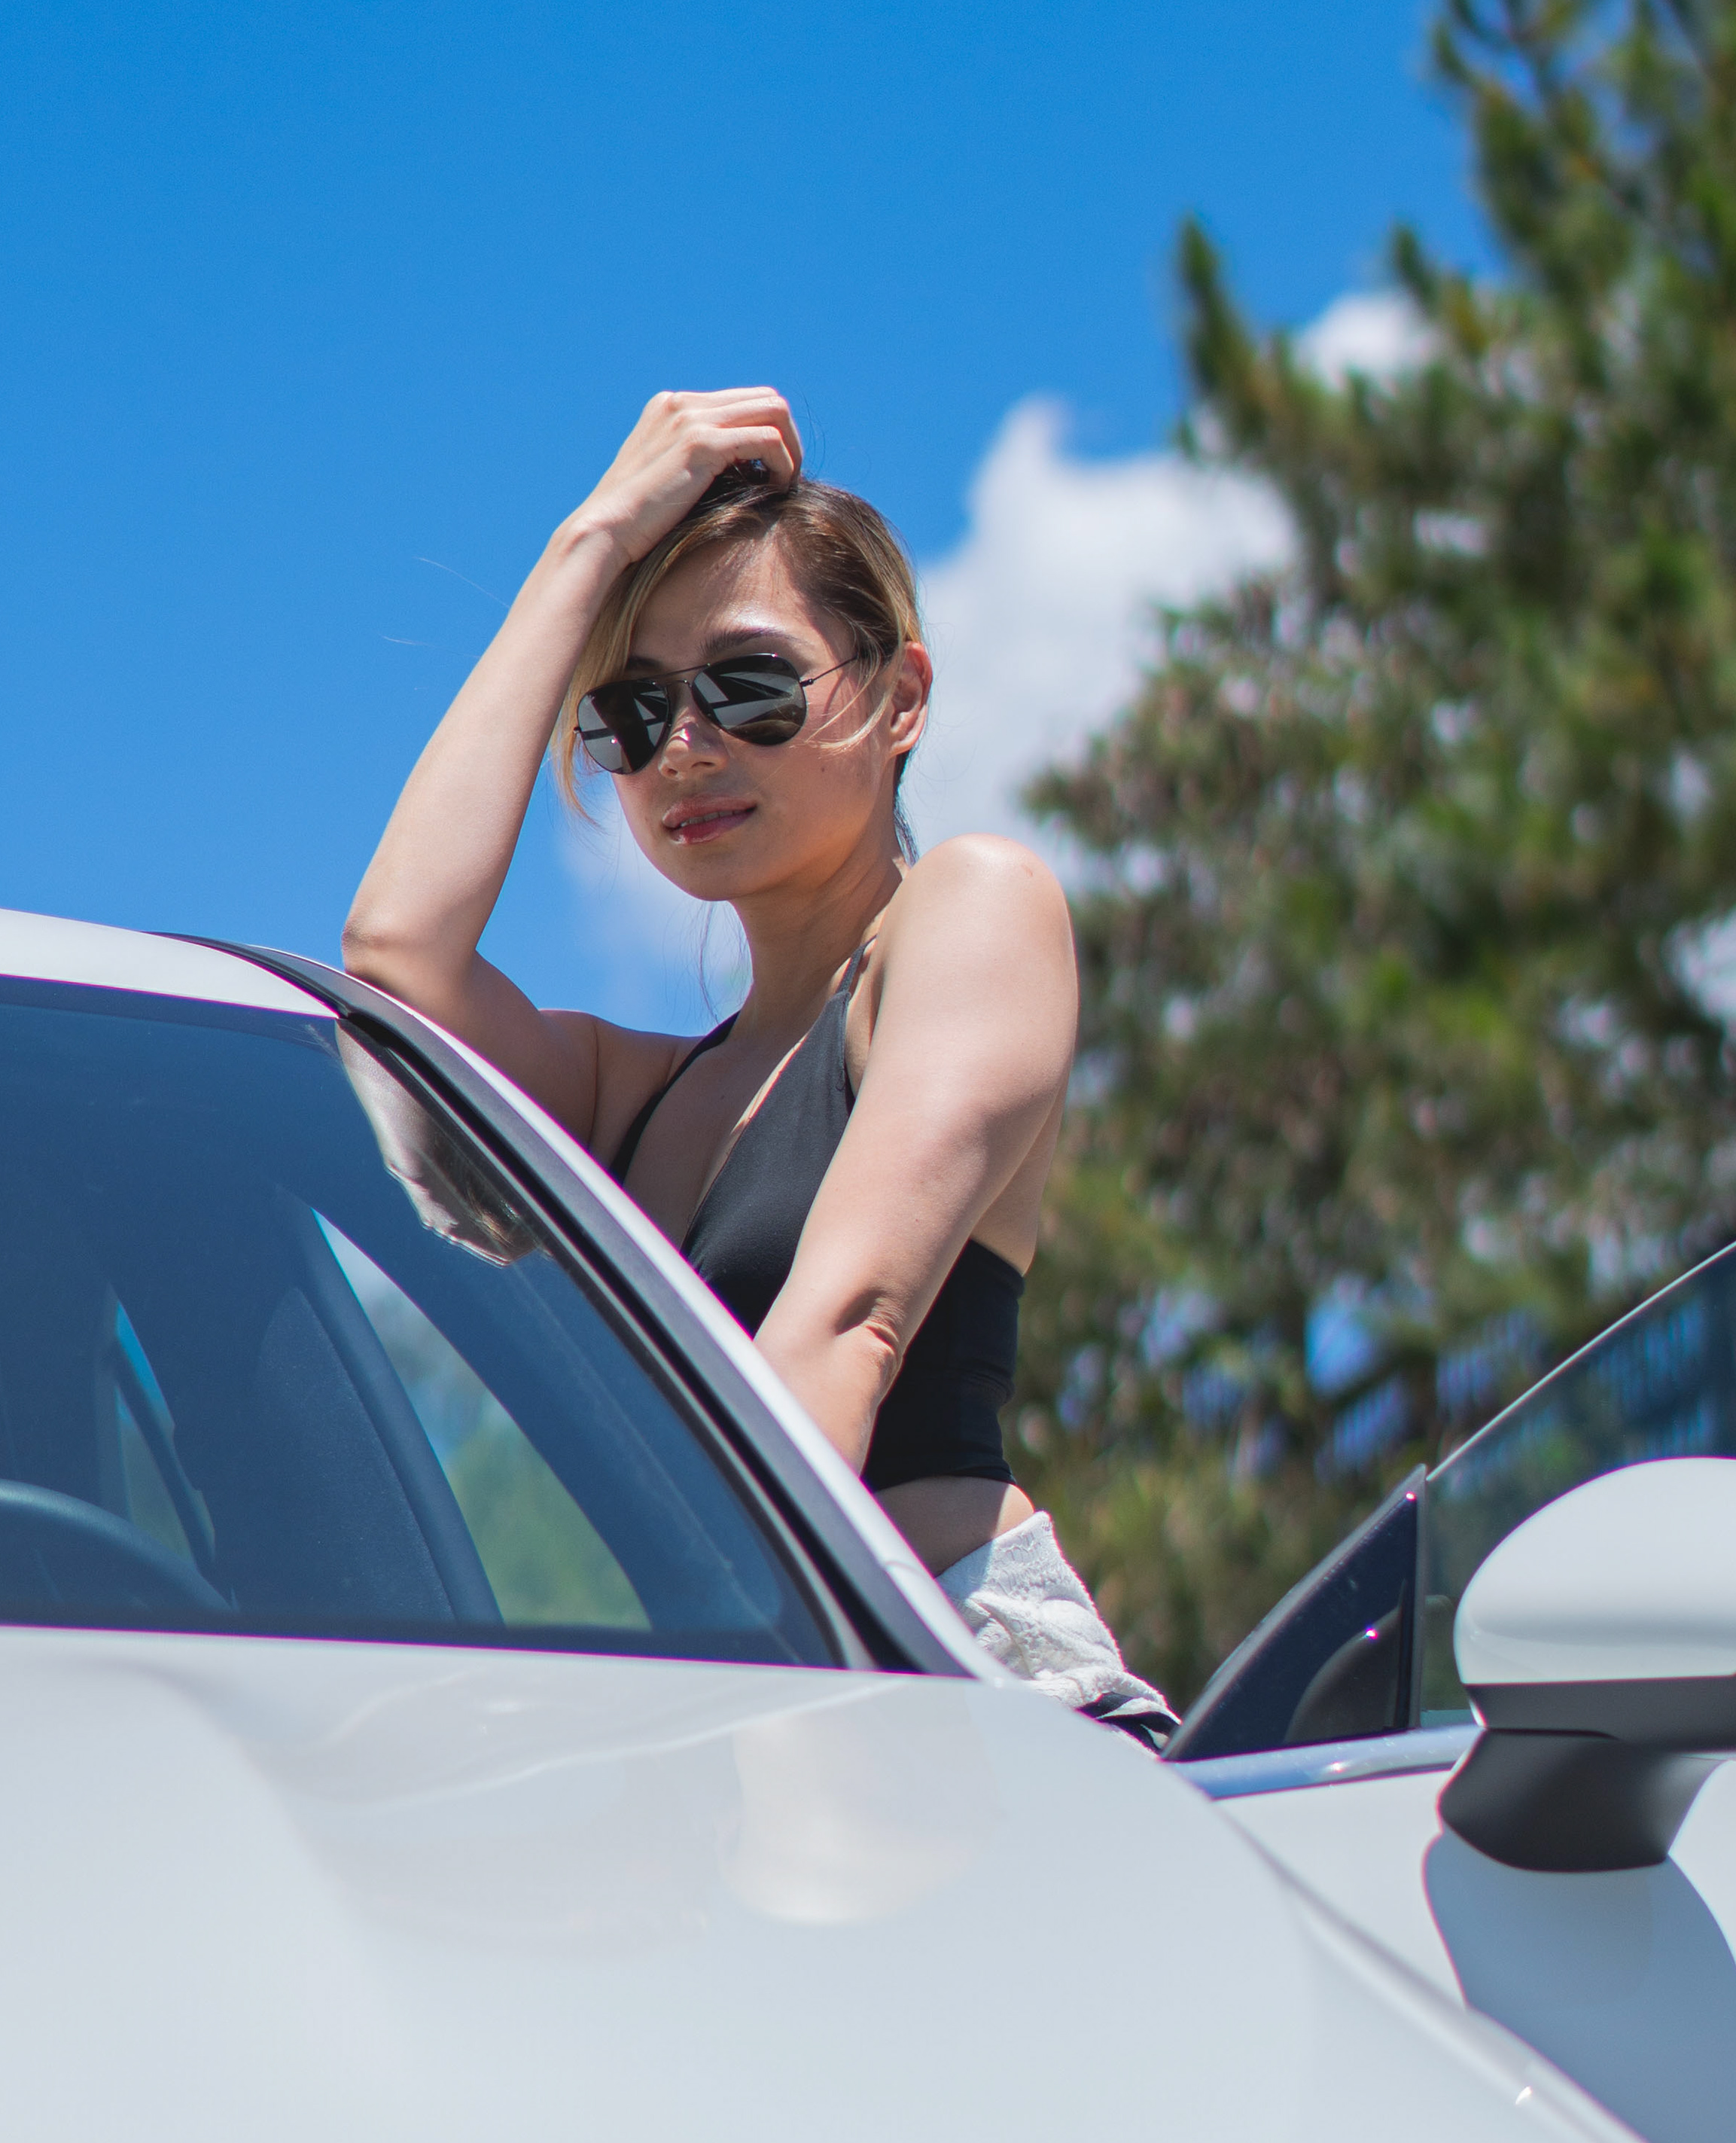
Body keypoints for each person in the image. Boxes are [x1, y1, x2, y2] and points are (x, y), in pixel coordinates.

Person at [343, 385, 1171, 1736]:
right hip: (751, 1698)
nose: (684, 747)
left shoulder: (974, 908)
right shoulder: (633, 1098)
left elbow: (845, 1330)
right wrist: (587, 542)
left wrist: (760, 1733)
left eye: (749, 686)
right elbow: (397, 954)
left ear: (901, 698)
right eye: (631, 711)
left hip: (958, 1679)